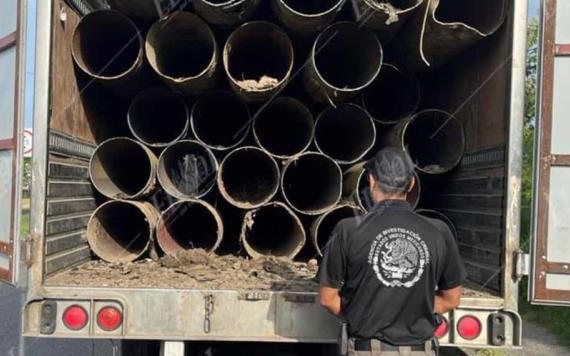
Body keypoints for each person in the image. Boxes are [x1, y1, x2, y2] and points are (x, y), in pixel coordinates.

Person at [318, 147, 466, 356]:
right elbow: (451, 299)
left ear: (371, 180)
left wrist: (361, 313)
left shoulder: (347, 229)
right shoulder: (439, 231)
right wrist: (413, 311)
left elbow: (327, 298)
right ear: (412, 183)